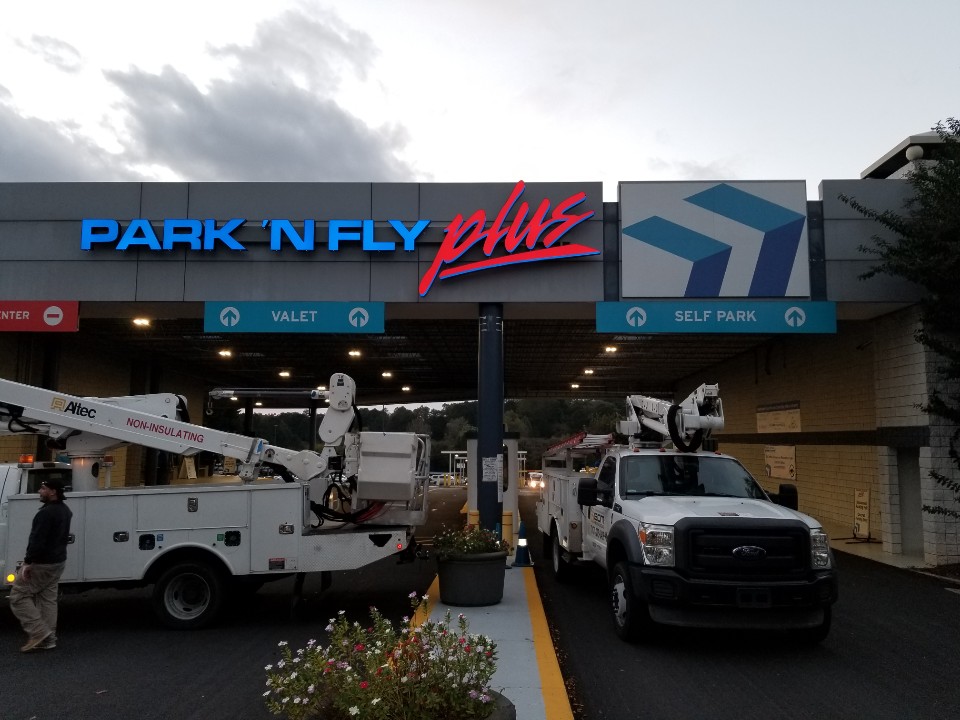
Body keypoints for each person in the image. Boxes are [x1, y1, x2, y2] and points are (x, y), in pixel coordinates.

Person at [9, 477, 72, 652]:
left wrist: (28, 562)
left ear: (53, 492)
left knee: (18, 596)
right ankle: (49, 640)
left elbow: (37, 540)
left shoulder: (46, 513)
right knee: (47, 599)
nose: (39, 491)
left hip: (42, 563)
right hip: (58, 562)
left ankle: (39, 633)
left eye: (43, 488)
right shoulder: (65, 510)